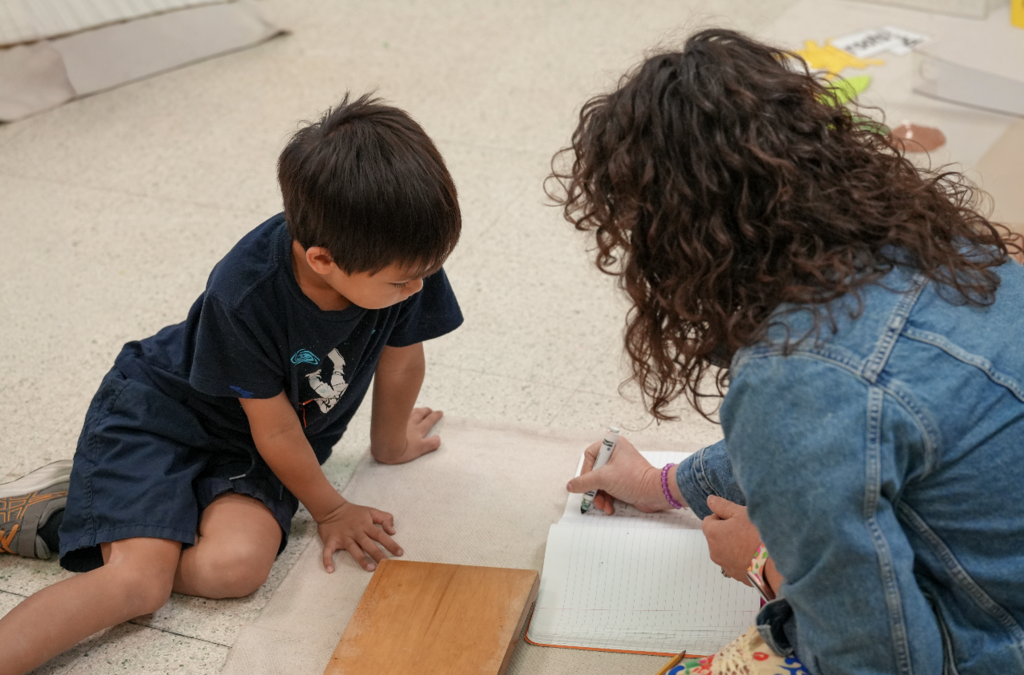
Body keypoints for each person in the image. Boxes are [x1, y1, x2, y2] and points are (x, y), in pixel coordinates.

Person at [556, 29, 1024, 675]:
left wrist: (765, 566)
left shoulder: (794, 378)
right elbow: (845, 438)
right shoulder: (939, 245)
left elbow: (877, 661)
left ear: (677, 243)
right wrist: (663, 484)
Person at [0, 93, 463, 675]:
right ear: (322, 259)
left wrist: (391, 444)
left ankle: (111, 518)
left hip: (253, 448)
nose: (418, 288)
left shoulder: (400, 256)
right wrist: (332, 509)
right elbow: (274, 428)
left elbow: (402, 356)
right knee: (139, 586)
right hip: (163, 415)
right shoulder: (243, 292)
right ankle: (67, 518)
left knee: (235, 571)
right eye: (404, 281)